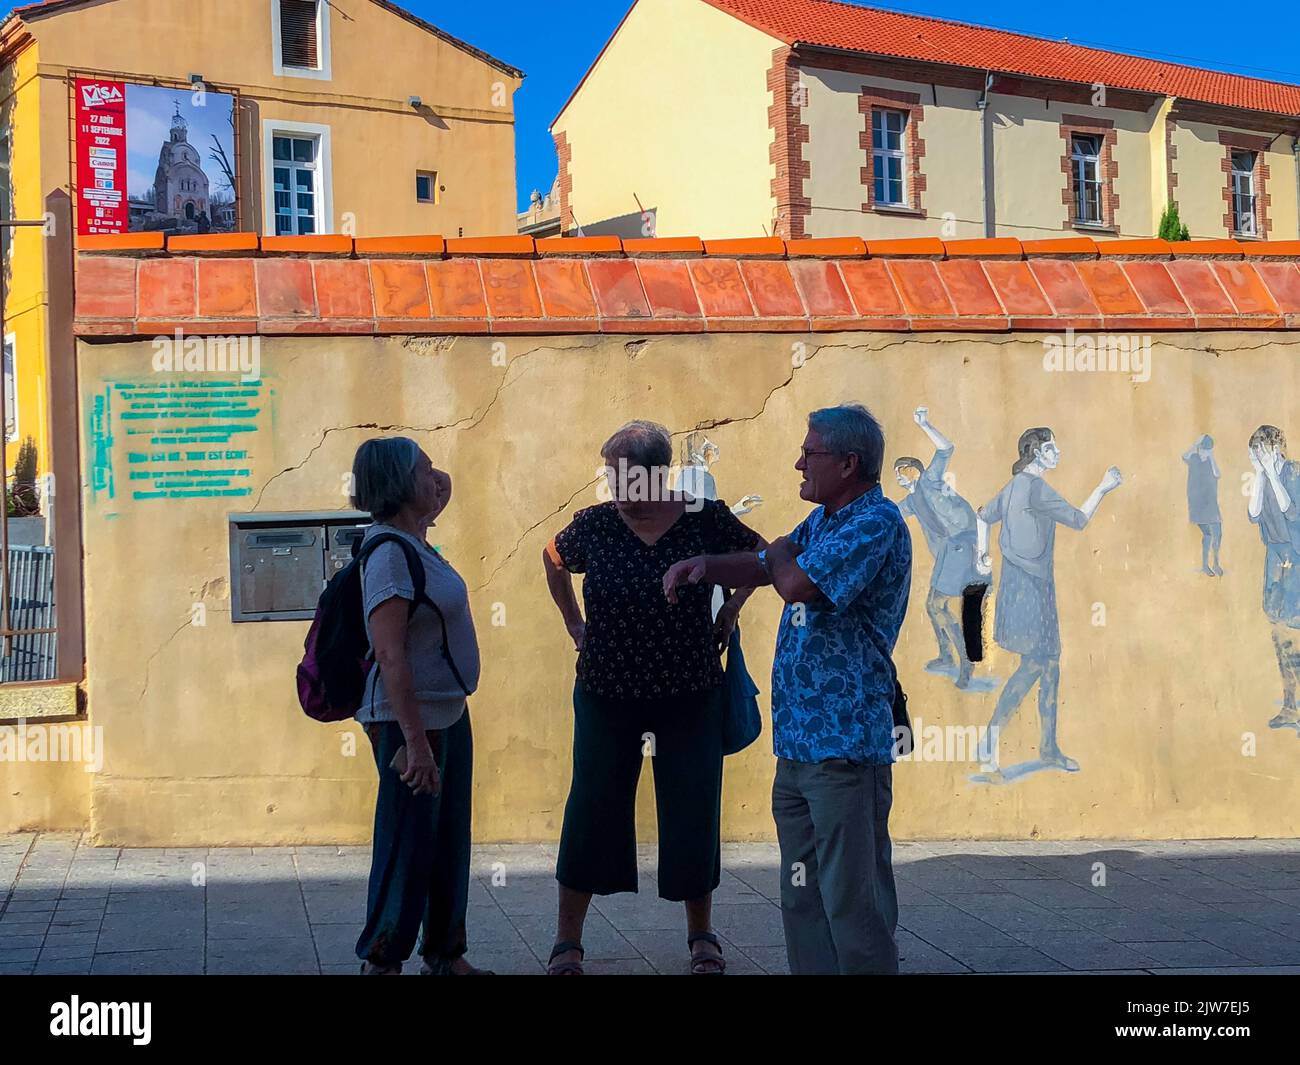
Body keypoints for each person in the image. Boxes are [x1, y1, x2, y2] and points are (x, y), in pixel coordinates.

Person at [663, 404, 911, 975]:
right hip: (800, 745)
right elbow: (762, 564)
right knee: (803, 899)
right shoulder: (824, 520)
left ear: (849, 463)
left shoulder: (873, 522)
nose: (798, 462)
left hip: (845, 748)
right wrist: (703, 563)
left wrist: (776, 556)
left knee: (854, 902)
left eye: (810, 452)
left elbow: (795, 582)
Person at [543, 420, 763, 975]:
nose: (615, 486)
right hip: (605, 690)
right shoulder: (593, 525)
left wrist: (731, 609)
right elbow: (551, 558)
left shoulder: (702, 518)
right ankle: (568, 940)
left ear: (654, 475)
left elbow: (763, 557)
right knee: (591, 805)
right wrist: (574, 623)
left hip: (689, 693)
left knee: (693, 808)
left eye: (624, 476)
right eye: (610, 475)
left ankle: (701, 935)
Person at [350, 436, 490, 975]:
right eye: (425, 471)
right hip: (408, 723)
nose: (437, 478)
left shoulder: (417, 540)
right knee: (407, 846)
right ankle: (382, 962)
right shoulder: (389, 554)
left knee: (449, 838)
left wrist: (433, 487)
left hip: (448, 712)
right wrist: (413, 744)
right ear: (397, 484)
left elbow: (440, 491)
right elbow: (390, 654)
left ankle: (446, 953)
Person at [972, 428, 1122, 783]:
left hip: (1028, 586)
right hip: (1028, 588)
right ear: (1037, 452)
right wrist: (1104, 486)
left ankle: (1048, 747)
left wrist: (982, 554)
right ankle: (989, 742)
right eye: (1051, 446)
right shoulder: (1035, 488)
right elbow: (1079, 520)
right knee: (1035, 665)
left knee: (1050, 665)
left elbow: (982, 516)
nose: (1058, 452)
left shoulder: (1014, 487)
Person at [894, 406, 985, 688]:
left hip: (961, 547)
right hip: (951, 553)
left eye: (902, 471)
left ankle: (965, 662)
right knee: (936, 606)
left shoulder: (929, 482)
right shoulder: (911, 502)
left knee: (936, 605)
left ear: (914, 471)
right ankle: (949, 655)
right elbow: (888, 514)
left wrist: (924, 424)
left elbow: (946, 448)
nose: (898, 476)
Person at [1246, 425, 1300, 733]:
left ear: (1276, 447)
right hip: (1276, 562)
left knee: (1296, 634)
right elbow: (1253, 514)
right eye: (1254, 451)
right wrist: (1259, 475)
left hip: (1298, 558)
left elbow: (1291, 511)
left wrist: (1272, 473)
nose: (1257, 455)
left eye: (1261, 449)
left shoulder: (1293, 473)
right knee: (1280, 637)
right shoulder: (1263, 478)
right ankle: (1290, 707)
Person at [1184, 435, 1223, 576]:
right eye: (1204, 450)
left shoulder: (1210, 462)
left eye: (1208, 450)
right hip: (1198, 504)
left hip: (1211, 503)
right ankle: (1206, 565)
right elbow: (1184, 456)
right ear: (1199, 448)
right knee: (1208, 534)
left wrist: (1211, 457)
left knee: (1218, 533)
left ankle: (1216, 563)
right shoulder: (1193, 458)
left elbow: (1217, 474)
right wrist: (1195, 444)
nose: (1205, 453)